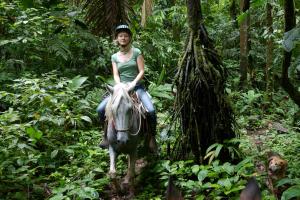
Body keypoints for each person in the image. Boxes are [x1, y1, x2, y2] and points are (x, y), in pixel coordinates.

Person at [96, 24, 157, 150]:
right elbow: (116, 74)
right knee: (100, 109)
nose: (123, 38)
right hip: (120, 88)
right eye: (120, 36)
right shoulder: (114, 57)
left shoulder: (136, 52)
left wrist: (133, 83)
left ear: (129, 38)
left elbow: (141, 71)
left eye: (125, 36)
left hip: (136, 87)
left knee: (150, 111)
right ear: (117, 38)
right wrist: (119, 85)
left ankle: (152, 137)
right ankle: (106, 136)